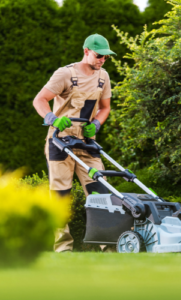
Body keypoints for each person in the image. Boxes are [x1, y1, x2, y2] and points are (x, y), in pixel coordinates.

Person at [33, 34, 116, 252]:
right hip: (60, 141)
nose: (102, 61)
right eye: (99, 56)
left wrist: (96, 124)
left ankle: (107, 247)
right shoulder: (65, 74)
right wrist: (52, 119)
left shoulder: (103, 77)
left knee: (100, 192)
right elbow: (39, 99)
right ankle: (63, 249)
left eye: (106, 58)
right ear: (87, 51)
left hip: (87, 143)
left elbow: (105, 107)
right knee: (61, 196)